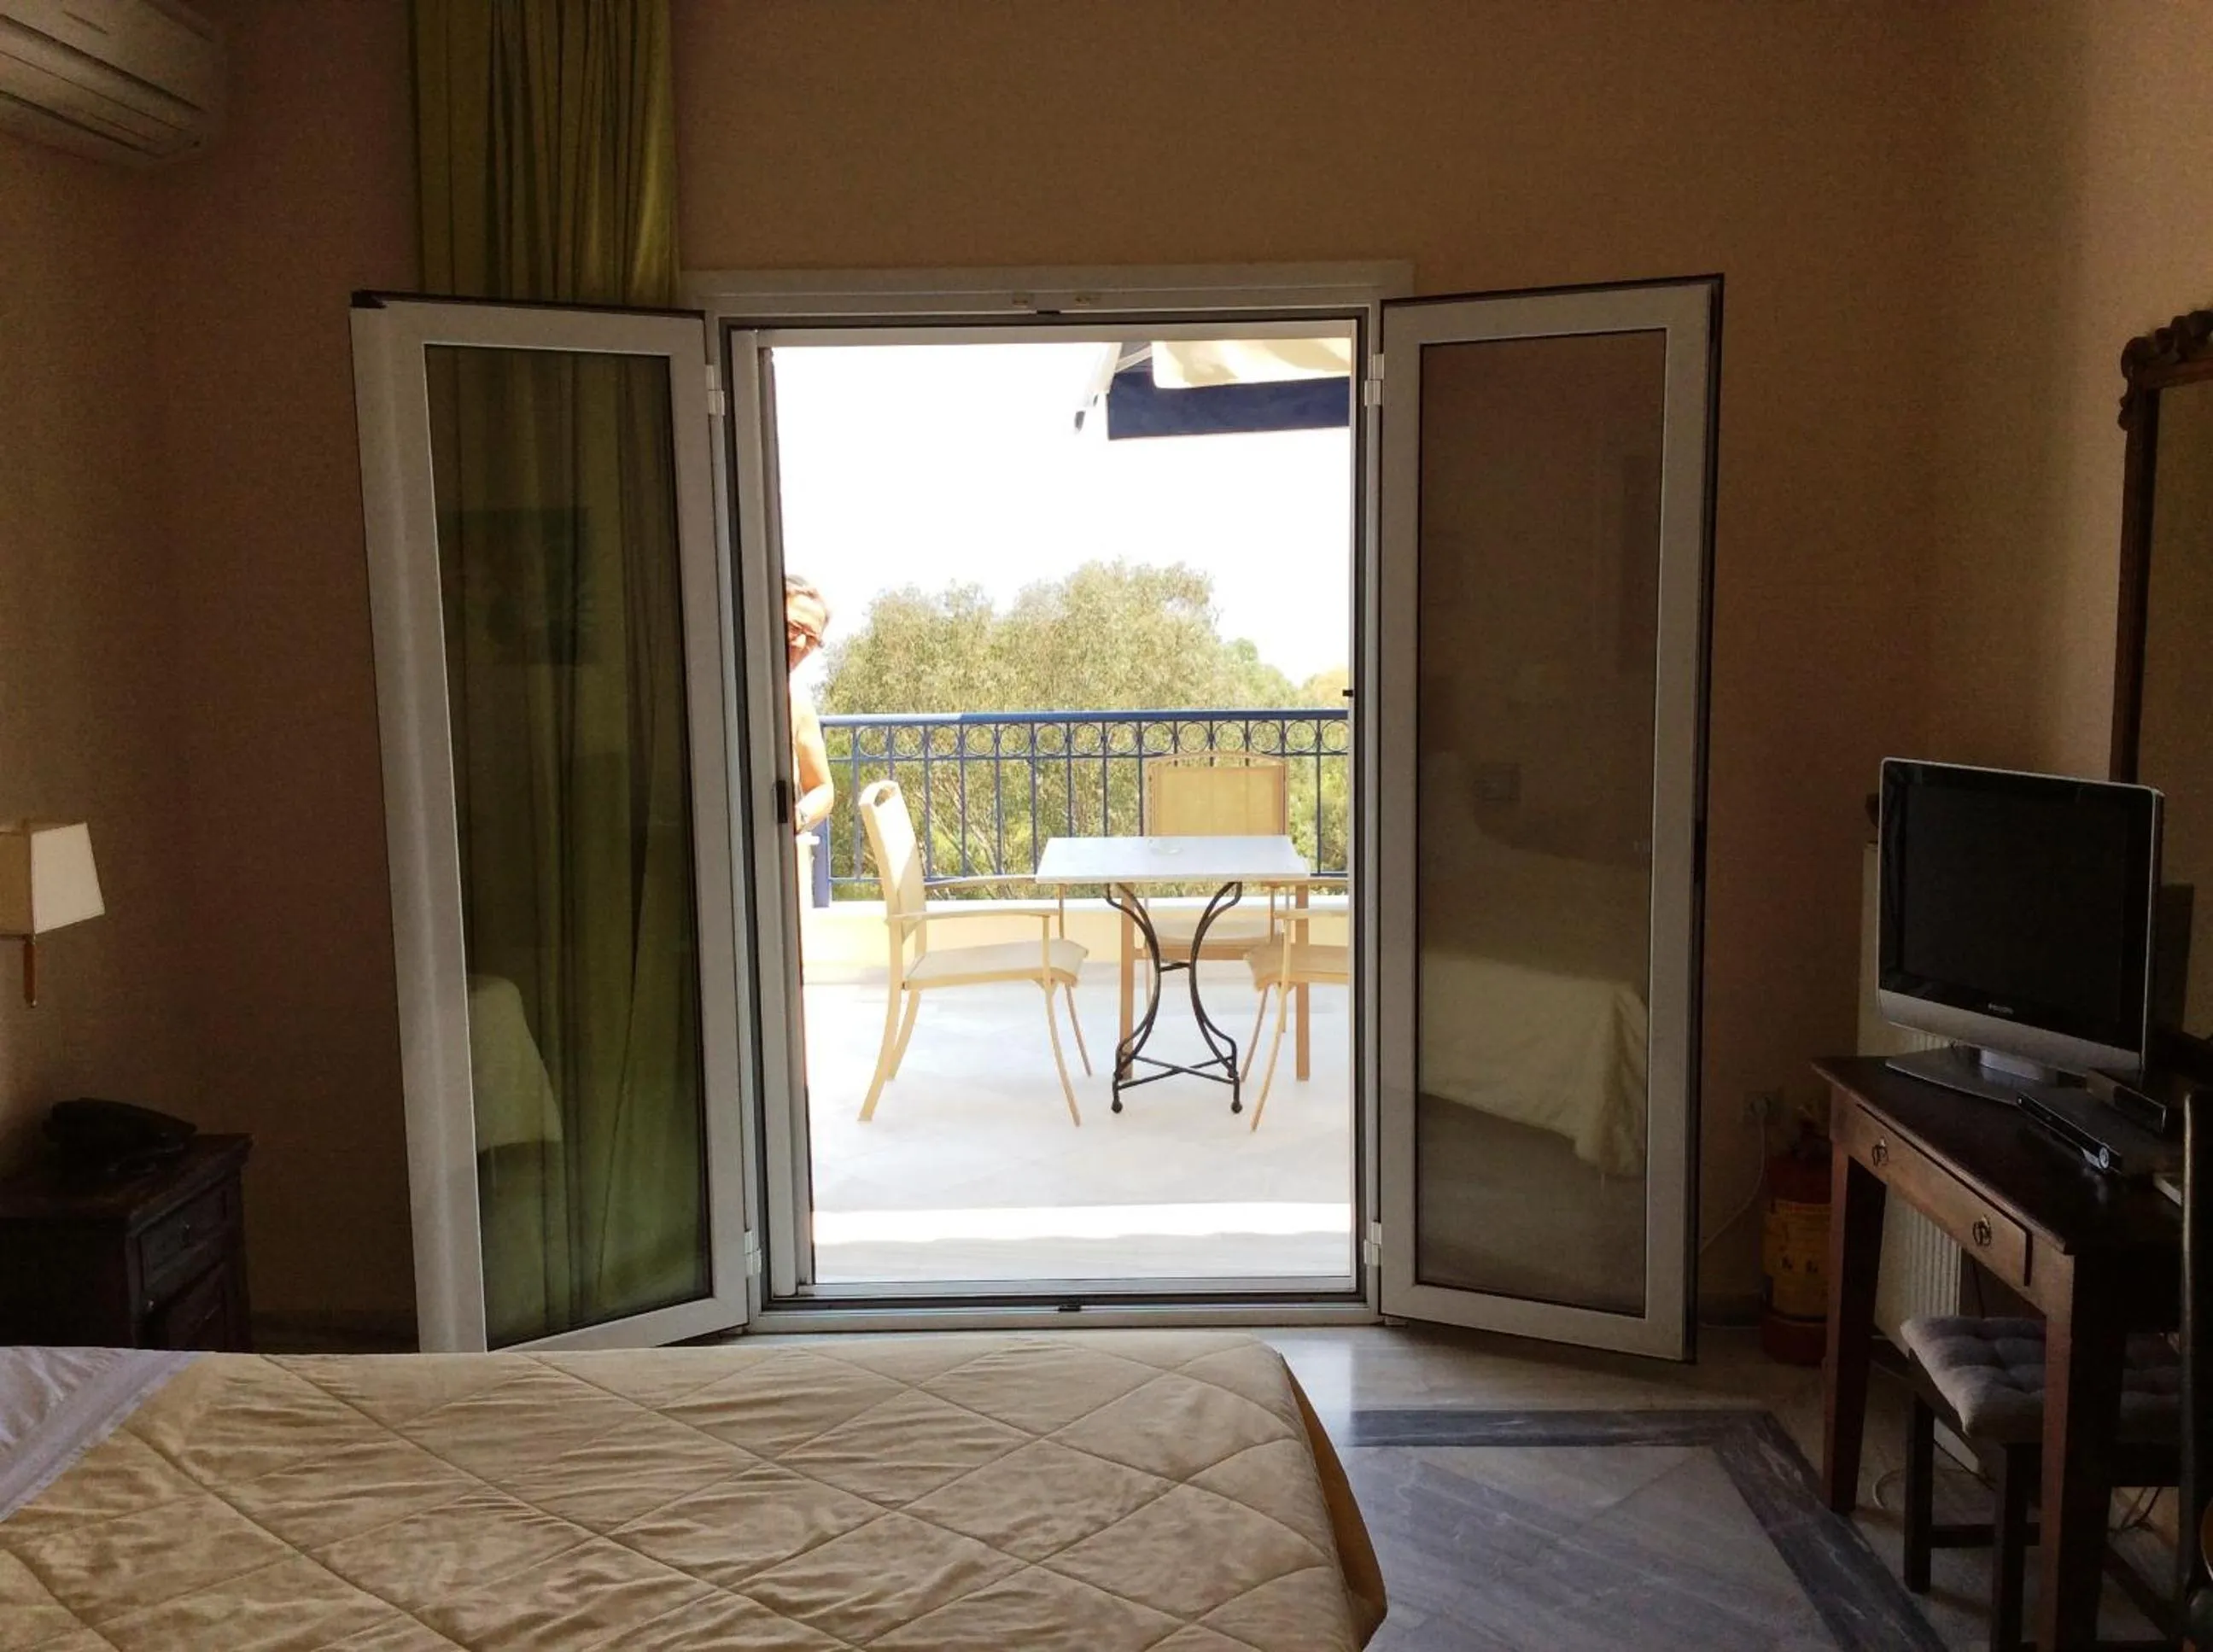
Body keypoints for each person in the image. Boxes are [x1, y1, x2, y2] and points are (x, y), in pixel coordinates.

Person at [785, 575, 836, 834]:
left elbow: (823, 789)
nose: (800, 643)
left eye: (812, 638)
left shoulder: (797, 702)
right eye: (794, 627)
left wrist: (798, 817)